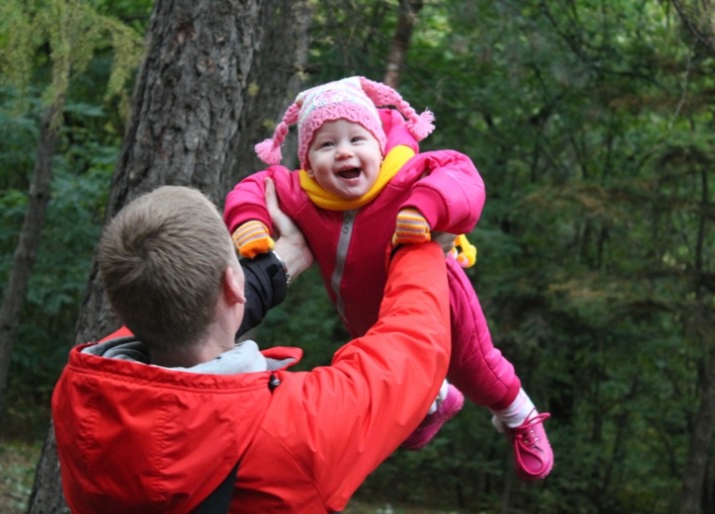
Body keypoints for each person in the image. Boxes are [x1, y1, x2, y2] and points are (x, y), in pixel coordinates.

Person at [223, 76, 553, 481]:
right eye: (326, 144)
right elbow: (254, 187)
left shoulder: (405, 176)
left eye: (356, 139)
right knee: (396, 371)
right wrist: (249, 223)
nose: (343, 151)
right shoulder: (304, 194)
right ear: (308, 160)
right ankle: (436, 400)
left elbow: (461, 175)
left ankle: (521, 417)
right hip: (366, 316)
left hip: (442, 303)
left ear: (379, 145)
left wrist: (425, 206)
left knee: (478, 369)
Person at [51, 181, 453, 513]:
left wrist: (277, 266)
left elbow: (171, 308)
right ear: (232, 285)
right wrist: (419, 246)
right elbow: (414, 345)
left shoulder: (80, 396)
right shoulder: (294, 432)